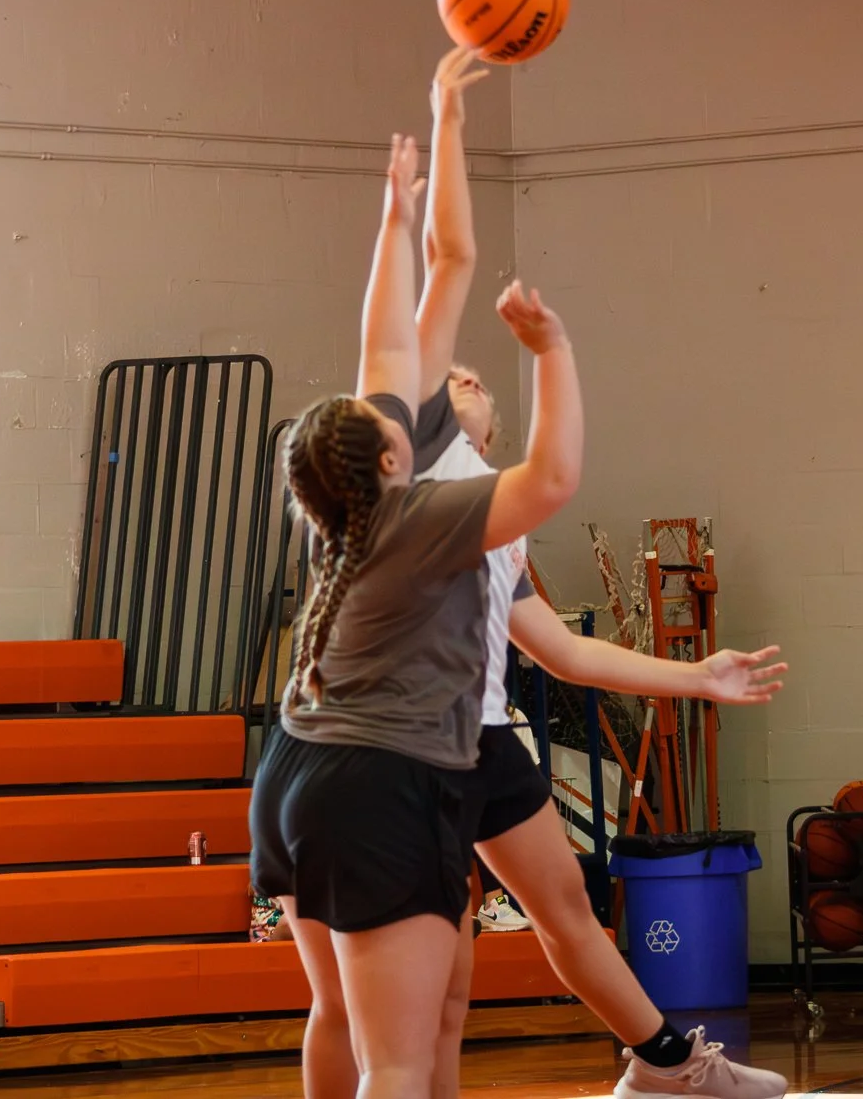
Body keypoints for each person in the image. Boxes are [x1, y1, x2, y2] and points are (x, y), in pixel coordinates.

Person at [405, 47, 787, 1099]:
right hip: (408, 748)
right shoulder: (427, 467)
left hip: (478, 733)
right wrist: (444, 120)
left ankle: (666, 1066)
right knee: (444, 979)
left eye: (477, 375)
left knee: (566, 903)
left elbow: (561, 649)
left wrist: (696, 677)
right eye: (457, 374)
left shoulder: (499, 515)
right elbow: (448, 260)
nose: (468, 378)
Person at [248, 131, 581, 1099]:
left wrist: (401, 201)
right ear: (391, 458)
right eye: (384, 411)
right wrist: (551, 351)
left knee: (349, 1022)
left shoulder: (345, 507)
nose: (397, 393)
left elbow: (422, 296)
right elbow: (554, 475)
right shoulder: (426, 515)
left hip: (292, 768)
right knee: (392, 1063)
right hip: (381, 783)